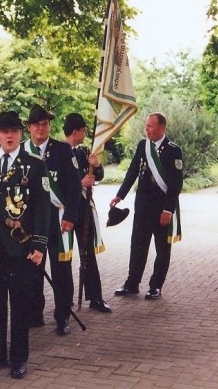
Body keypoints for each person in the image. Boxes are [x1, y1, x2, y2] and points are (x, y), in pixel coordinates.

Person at [0, 110, 51, 379]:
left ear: (21, 134)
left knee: (20, 304)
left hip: (20, 247)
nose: (10, 135)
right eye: (4, 131)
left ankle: (18, 358)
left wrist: (39, 245)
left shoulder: (34, 164)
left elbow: (42, 209)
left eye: (14, 130)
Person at [110, 112, 183, 300]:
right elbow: (133, 171)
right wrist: (120, 195)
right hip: (142, 207)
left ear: (161, 128)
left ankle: (155, 286)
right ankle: (132, 283)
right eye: (146, 125)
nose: (147, 129)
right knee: (138, 247)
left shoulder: (173, 150)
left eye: (150, 126)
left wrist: (168, 209)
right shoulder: (143, 146)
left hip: (162, 210)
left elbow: (176, 184)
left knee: (162, 249)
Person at [23, 104, 82, 336]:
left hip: (58, 222)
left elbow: (75, 187)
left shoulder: (63, 150)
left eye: (45, 124)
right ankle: (35, 314)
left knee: (61, 271)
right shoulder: (22, 151)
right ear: (29, 128)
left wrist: (70, 217)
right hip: (31, 224)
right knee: (32, 270)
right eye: (36, 124)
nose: (41, 128)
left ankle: (62, 316)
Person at [63, 113, 111, 313]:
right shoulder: (60, 152)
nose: (85, 134)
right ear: (75, 132)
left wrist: (97, 165)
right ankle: (65, 298)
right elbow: (56, 182)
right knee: (63, 256)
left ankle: (95, 297)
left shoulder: (84, 153)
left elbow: (98, 175)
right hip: (64, 210)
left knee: (87, 254)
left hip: (83, 209)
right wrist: (79, 183)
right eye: (83, 130)